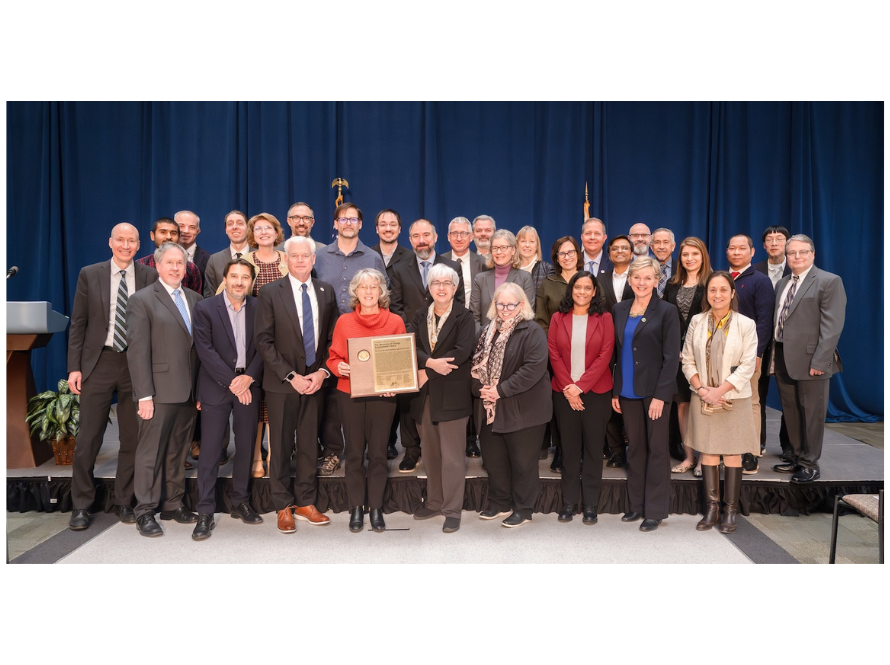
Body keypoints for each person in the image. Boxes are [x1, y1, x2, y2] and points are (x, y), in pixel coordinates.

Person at [66, 223, 159, 531]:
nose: (125, 244)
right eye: (120, 239)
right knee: (88, 438)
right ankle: (81, 504)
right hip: (99, 362)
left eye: (131, 240)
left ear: (137, 245)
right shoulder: (89, 274)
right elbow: (78, 323)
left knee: (132, 438)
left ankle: (123, 500)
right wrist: (74, 367)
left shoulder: (149, 275)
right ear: (110, 242)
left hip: (136, 365)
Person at [255, 235, 338, 532]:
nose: (301, 260)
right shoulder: (269, 292)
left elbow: (332, 340)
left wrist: (321, 374)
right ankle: (282, 504)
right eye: (295, 256)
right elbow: (263, 341)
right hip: (282, 384)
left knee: (307, 445)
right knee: (279, 444)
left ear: (314, 259)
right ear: (286, 259)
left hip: (314, 383)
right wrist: (291, 376)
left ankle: (305, 501)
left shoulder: (326, 291)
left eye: (306, 256)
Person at [126, 242, 203, 537]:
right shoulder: (142, 300)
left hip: (188, 392)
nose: (175, 268)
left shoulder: (195, 299)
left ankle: (172, 503)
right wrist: (144, 395)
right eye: (169, 263)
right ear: (157, 266)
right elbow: (137, 351)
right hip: (156, 393)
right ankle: (144, 509)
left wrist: (200, 391)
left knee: (177, 452)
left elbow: (199, 349)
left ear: (186, 267)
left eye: (180, 263)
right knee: (150, 453)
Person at [327, 268, 405, 533]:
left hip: (383, 397)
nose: (369, 291)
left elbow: (401, 362)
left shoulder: (395, 321)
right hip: (350, 394)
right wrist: (340, 368)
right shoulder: (344, 322)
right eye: (364, 287)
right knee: (354, 452)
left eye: (374, 287)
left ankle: (376, 507)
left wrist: (395, 385)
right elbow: (333, 358)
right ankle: (356, 507)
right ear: (356, 292)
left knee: (379, 453)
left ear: (381, 291)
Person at [191, 258, 265, 539]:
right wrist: (234, 382)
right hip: (216, 385)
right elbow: (205, 350)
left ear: (251, 281)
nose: (239, 282)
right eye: (234, 276)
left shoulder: (259, 308)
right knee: (210, 450)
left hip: (250, 384)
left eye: (245, 277)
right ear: (225, 278)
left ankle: (240, 501)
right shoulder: (205, 307)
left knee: (246, 446)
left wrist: (249, 377)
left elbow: (264, 346)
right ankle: (206, 510)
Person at [314, 203, 388, 475]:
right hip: (326, 336)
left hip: (365, 336)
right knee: (333, 397)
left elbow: (383, 297)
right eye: (342, 219)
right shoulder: (319, 257)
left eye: (353, 219)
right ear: (335, 224)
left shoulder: (372, 257)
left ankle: (370, 451)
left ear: (360, 224)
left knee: (366, 396)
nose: (348, 223)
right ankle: (332, 451)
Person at [682, 271, 759, 533]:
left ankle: (730, 510)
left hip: (733, 398)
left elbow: (748, 365)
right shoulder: (697, 321)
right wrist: (702, 389)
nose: (717, 295)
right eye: (712, 290)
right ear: (707, 294)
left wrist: (720, 390)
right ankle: (712, 508)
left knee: (733, 453)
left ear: (732, 293)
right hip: (702, 395)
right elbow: (687, 358)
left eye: (723, 290)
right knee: (709, 450)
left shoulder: (745, 324)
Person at [472, 282, 552, 528]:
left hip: (524, 409)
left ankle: (524, 509)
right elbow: (475, 365)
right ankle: (499, 502)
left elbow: (533, 369)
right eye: (500, 304)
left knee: (522, 463)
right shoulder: (487, 331)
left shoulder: (532, 330)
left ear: (522, 305)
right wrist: (480, 389)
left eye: (511, 304)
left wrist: (499, 390)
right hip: (490, 408)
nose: (505, 309)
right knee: (495, 460)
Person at [388, 219, 464, 472]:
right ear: (410, 240)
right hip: (411, 342)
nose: (422, 240)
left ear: (435, 237)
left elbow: (460, 304)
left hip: (444, 344)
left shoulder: (452, 266)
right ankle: (411, 449)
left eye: (426, 235)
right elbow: (396, 309)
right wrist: (414, 338)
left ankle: (439, 448)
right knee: (410, 397)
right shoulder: (398, 268)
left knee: (438, 397)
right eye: (416, 236)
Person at [611, 257, 680, 532]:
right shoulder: (619, 309)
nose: (642, 283)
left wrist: (661, 396)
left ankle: (655, 510)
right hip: (627, 391)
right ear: (630, 280)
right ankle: (636, 505)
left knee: (657, 450)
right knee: (635, 448)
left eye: (648, 278)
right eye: (637, 278)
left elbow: (671, 357)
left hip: (654, 393)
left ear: (656, 280)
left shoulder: (667, 311)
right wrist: (616, 391)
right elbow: (617, 354)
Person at [771, 234, 846, 484]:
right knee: (791, 411)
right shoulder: (783, 283)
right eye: (792, 253)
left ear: (812, 254)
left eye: (802, 252)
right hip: (783, 356)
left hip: (812, 360)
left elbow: (832, 327)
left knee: (812, 414)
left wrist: (820, 361)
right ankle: (795, 456)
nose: (797, 257)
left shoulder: (828, 281)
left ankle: (810, 464)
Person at [222, 213, 289, 477]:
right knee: (257, 404)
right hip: (252, 339)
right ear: (252, 234)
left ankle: (275, 454)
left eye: (268, 228)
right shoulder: (243, 261)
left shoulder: (287, 259)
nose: (263, 232)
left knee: (276, 401)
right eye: (257, 228)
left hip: (284, 338)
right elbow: (224, 293)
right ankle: (255, 457)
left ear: (276, 232)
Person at [410, 264, 476, 533]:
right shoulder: (419, 315)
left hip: (452, 395)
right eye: (435, 282)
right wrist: (429, 366)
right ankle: (435, 501)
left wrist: (427, 372)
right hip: (423, 394)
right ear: (429, 286)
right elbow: (410, 345)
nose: (440, 287)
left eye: (447, 282)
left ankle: (451, 509)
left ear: (455, 287)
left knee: (451, 456)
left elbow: (461, 353)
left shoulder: (465, 316)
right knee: (431, 453)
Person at [548, 271, 614, 525]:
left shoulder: (605, 318)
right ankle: (568, 503)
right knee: (569, 450)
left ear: (594, 291)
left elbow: (605, 356)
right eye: (578, 287)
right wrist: (569, 387)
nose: (583, 292)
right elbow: (553, 355)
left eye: (588, 288)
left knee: (594, 451)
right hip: (564, 394)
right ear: (571, 289)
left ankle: (590, 506)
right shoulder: (557, 318)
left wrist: (580, 387)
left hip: (595, 394)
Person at [726, 234, 775, 474]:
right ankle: (728, 446)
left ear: (752, 252)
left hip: (748, 353)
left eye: (742, 248)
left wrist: (757, 353)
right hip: (721, 353)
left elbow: (765, 321)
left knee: (751, 401)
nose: (736, 252)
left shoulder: (760, 280)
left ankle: (751, 452)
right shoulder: (721, 278)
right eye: (732, 248)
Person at [663, 237, 712, 475]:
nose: (689, 258)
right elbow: (664, 320)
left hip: (704, 355)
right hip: (677, 356)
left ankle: (705, 459)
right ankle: (689, 457)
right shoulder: (672, 285)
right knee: (682, 406)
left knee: (701, 406)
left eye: (695, 254)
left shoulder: (712, 282)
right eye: (685, 255)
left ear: (703, 256)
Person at [534, 235, 582, 472]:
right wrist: (552, 350)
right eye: (562, 253)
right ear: (556, 258)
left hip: (586, 356)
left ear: (577, 254)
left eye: (571, 252)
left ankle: (579, 450)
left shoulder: (588, 281)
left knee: (581, 404)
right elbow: (541, 320)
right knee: (560, 405)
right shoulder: (548, 284)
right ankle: (561, 450)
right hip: (556, 356)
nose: (567, 257)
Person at [442, 216, 488, 459]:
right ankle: (454, 436)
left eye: (464, 233)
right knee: (456, 383)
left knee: (474, 384)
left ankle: (472, 438)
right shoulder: (439, 263)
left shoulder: (485, 262)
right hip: (450, 331)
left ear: (471, 238)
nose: (459, 237)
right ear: (448, 237)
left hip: (479, 330)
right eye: (454, 233)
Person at [371, 208, 411, 459]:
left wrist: (400, 324)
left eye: (392, 224)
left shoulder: (409, 257)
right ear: (376, 229)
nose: (387, 228)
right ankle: (375, 439)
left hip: (398, 327)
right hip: (369, 326)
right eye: (383, 224)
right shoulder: (366, 254)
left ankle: (390, 440)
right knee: (371, 383)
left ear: (399, 229)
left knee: (393, 385)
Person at [754, 225, 792, 457]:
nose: (775, 243)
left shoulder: (797, 270)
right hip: (760, 342)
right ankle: (757, 442)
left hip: (787, 344)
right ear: (764, 245)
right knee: (757, 396)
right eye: (770, 239)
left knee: (789, 398)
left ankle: (788, 447)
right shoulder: (755, 271)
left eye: (779, 239)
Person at [597, 235, 635, 468]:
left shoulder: (639, 277)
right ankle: (616, 451)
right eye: (615, 248)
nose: (619, 251)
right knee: (609, 396)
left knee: (630, 398)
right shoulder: (600, 279)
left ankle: (635, 448)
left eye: (624, 248)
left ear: (632, 252)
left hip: (634, 344)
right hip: (607, 344)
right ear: (609, 254)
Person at [471, 229, 535, 331]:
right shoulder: (480, 279)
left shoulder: (525, 278)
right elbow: (474, 317)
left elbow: (527, 315)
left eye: (503, 247)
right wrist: (482, 337)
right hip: (484, 341)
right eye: (495, 248)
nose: (499, 252)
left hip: (516, 340)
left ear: (513, 250)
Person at [137, 217, 203, 295]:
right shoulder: (140, 265)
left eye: (173, 233)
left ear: (179, 237)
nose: (168, 236)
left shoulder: (190, 268)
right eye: (163, 232)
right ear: (152, 235)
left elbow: (195, 301)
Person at [204, 210, 252, 298]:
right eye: (230, 224)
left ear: (248, 228)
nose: (235, 227)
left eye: (240, 223)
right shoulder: (214, 260)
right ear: (226, 230)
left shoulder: (258, 255)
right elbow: (209, 296)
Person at [516, 225, 554, 294]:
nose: (527, 245)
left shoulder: (547, 270)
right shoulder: (510, 269)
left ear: (537, 246)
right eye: (523, 241)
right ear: (517, 244)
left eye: (532, 241)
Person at [176, 210, 210, 282]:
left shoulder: (209, 259)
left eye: (192, 227)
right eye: (181, 226)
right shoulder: (163, 255)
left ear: (198, 231)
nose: (186, 231)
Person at [650, 228, 676, 298]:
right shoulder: (644, 269)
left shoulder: (682, 269)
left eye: (666, 242)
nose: (661, 247)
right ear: (652, 247)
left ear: (673, 246)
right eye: (657, 242)